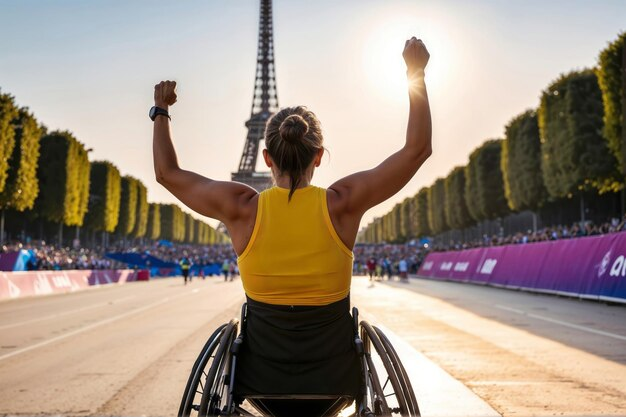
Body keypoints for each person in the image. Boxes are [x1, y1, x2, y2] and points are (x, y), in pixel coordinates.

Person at [152, 37, 430, 406]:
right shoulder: (342, 204)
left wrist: (160, 111)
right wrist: (416, 74)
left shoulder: (241, 208)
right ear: (318, 156)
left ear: (266, 158)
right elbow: (417, 150)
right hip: (334, 382)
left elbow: (167, 173)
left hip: (261, 382)